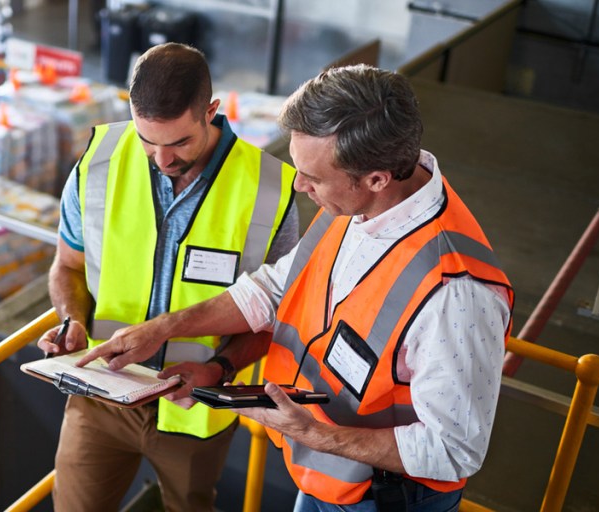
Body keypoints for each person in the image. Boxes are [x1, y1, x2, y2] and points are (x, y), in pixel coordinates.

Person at [79, 64, 514, 511]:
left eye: (312, 177)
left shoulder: (457, 294)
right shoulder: (355, 204)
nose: (298, 184)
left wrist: (315, 434)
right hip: (324, 477)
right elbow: (273, 289)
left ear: (377, 178)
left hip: (383, 499)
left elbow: (454, 449)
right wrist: (166, 328)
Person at [37, 42, 300, 511]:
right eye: (147, 140)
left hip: (194, 410)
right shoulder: (97, 162)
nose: (161, 159)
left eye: (179, 142)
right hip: (100, 393)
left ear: (211, 112)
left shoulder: (270, 191)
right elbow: (69, 265)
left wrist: (219, 370)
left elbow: (276, 318)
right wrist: (71, 319)